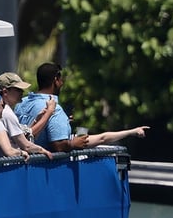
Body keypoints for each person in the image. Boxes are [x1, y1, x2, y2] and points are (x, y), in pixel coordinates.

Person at [16, 63, 150, 152]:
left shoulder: (21, 103)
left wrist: (132, 131)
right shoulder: (54, 108)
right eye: (60, 79)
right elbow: (59, 146)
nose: (62, 83)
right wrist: (73, 144)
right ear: (56, 80)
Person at [0, 72, 53, 158]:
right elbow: (26, 145)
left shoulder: (4, 111)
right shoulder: (7, 113)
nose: (22, 92)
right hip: (9, 167)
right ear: (5, 92)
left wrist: (36, 120)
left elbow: (22, 136)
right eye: (18, 89)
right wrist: (43, 151)